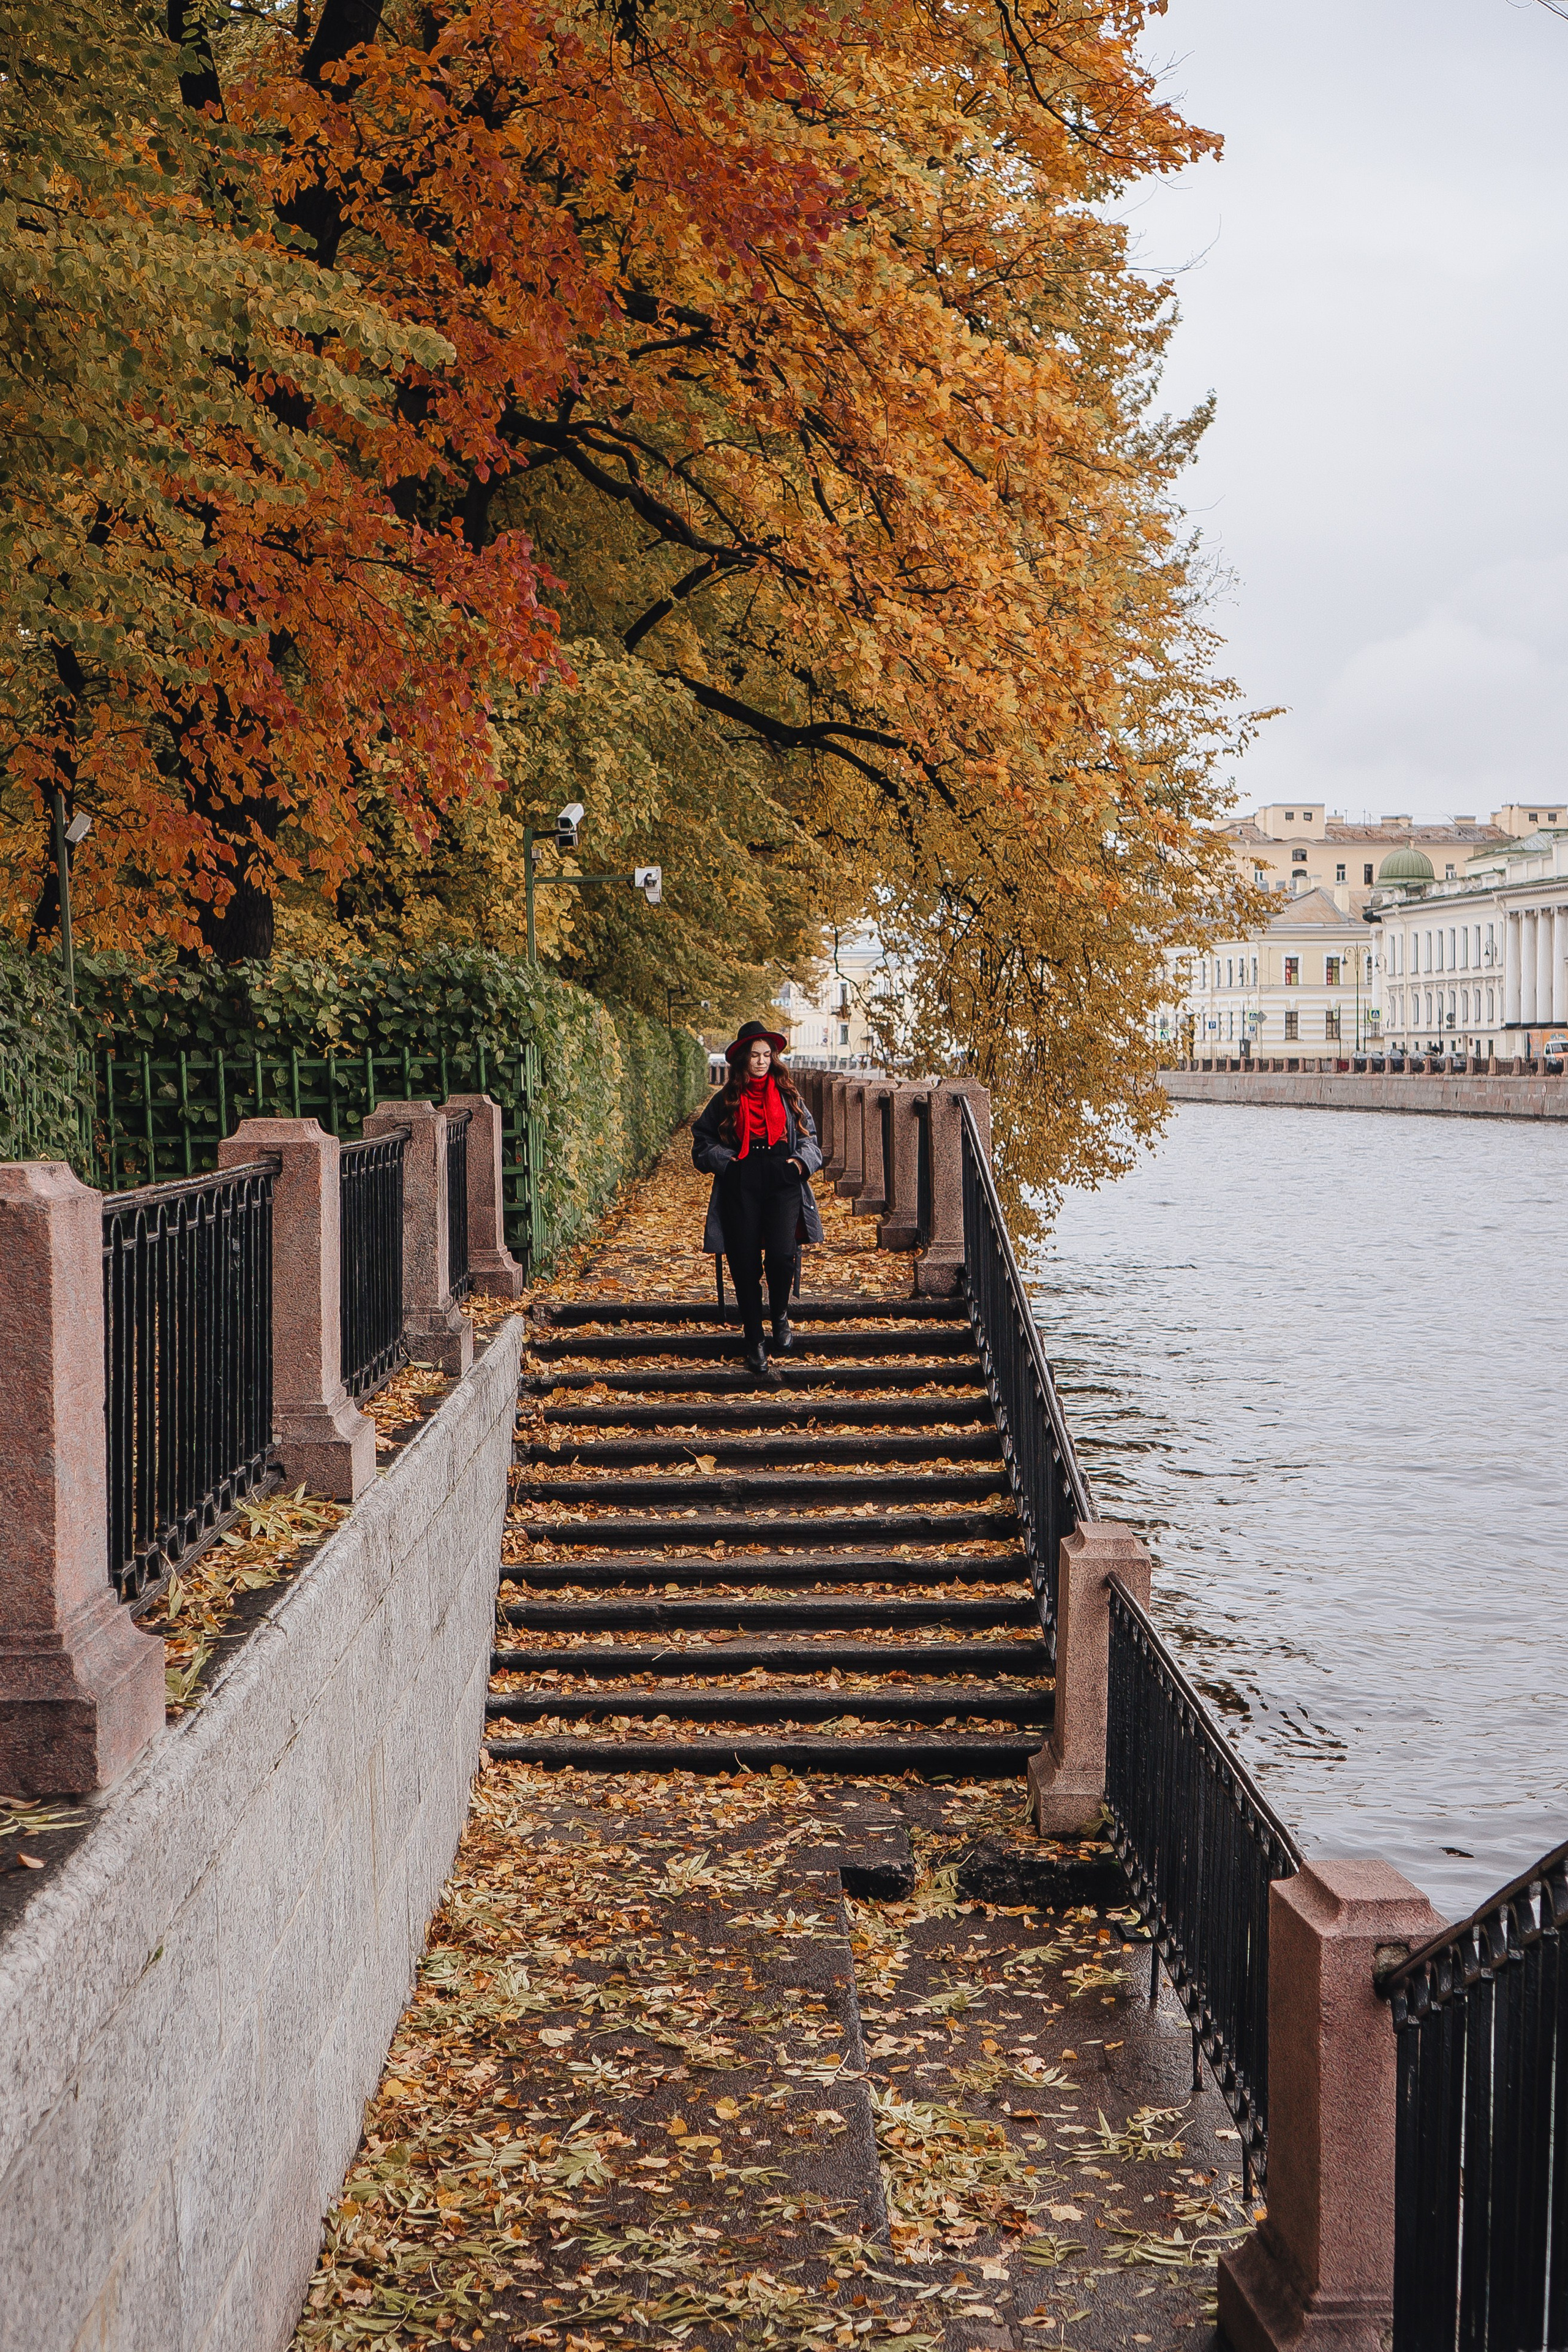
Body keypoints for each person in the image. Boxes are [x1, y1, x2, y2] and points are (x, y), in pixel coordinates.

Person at [692, 1022, 823, 1376]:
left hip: (783, 1180)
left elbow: (811, 1141)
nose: (762, 1061)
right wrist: (729, 1165)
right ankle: (754, 1339)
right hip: (742, 1182)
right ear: (743, 1059)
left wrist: (799, 1164)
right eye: (755, 1055)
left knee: (781, 1256)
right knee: (744, 1263)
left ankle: (779, 1314)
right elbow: (702, 1143)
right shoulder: (726, 1100)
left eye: (767, 1055)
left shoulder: (789, 1096)